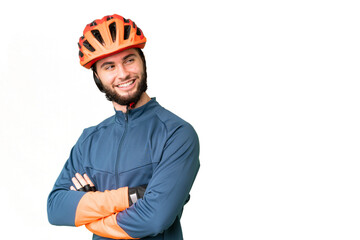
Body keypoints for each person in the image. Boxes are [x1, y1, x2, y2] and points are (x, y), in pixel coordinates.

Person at [47, 14, 200, 240]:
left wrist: (89, 210)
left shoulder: (176, 134)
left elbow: (153, 219)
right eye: (109, 66)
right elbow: (56, 208)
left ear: (142, 61)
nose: (123, 73)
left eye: (129, 60)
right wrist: (131, 196)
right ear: (97, 77)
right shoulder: (89, 141)